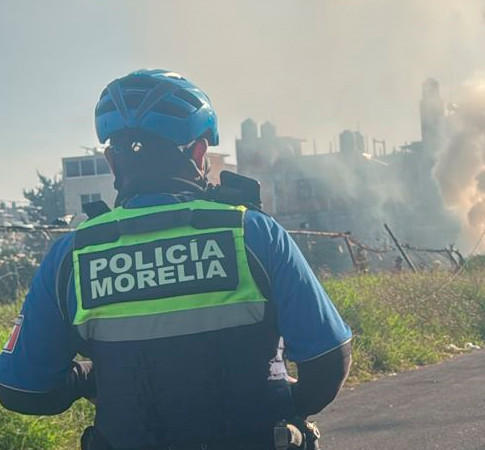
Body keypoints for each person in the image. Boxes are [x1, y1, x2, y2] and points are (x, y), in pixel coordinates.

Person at [0, 69, 352, 449]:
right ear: (199, 152)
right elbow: (328, 363)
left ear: (112, 162)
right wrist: (278, 406)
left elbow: (24, 391)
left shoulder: (73, 255)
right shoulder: (252, 233)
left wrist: (92, 377)